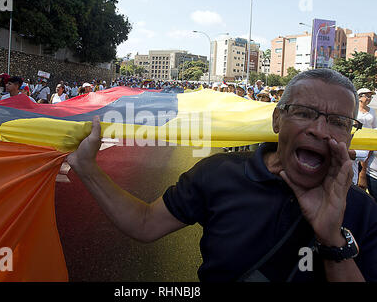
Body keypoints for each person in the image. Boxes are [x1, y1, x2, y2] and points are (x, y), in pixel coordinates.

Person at [66, 68, 377, 282]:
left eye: (338, 121)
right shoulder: (220, 174)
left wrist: (331, 239)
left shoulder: (364, 212)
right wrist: (88, 168)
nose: (319, 130)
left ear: (350, 134)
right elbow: (145, 223)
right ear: (277, 120)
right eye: (304, 113)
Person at [351, 88, 377, 188]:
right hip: (355, 141)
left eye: (370, 97)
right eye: (367, 96)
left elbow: (374, 128)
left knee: (365, 165)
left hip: (367, 142)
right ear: (360, 97)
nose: (369, 99)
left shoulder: (372, 111)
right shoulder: (353, 109)